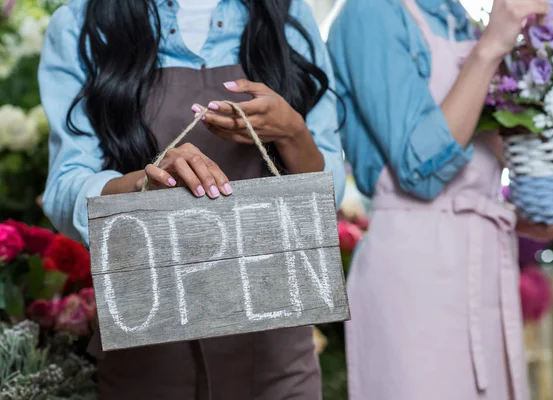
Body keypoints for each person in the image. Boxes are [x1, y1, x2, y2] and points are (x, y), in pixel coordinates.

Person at [39, 0, 345, 398]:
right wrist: (142, 185)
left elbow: (327, 196)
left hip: (278, 354)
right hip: (148, 355)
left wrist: (292, 134)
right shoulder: (81, 24)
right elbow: (64, 190)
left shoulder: (287, 15)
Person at [327, 0, 553, 399]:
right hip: (416, 276)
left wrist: (530, 218)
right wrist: (491, 47)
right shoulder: (370, 12)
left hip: (485, 265)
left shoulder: (458, 18)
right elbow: (420, 172)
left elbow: (479, 167)